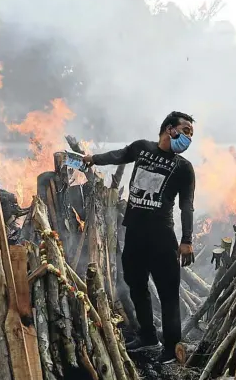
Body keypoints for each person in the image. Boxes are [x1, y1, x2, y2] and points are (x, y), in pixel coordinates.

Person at [83, 111, 195, 364]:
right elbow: (119, 155)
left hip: (162, 237)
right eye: (186, 131)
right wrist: (92, 159)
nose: (189, 138)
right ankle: (147, 337)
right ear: (170, 129)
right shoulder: (142, 149)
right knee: (136, 285)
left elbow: (186, 205)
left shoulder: (184, 168)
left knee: (168, 293)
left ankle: (170, 349)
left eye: (191, 134)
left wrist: (186, 240)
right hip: (134, 233)